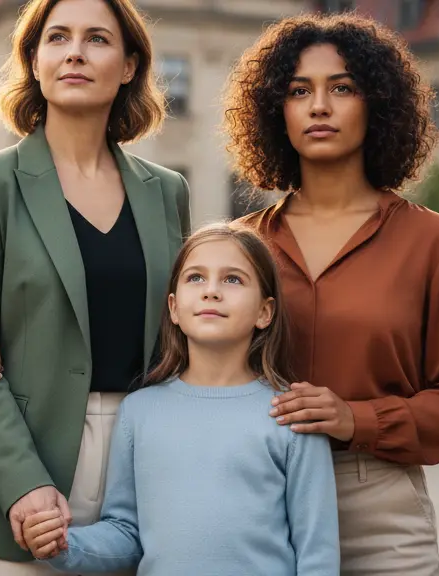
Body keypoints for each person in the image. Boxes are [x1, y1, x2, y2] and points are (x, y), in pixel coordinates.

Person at [224, 12, 439, 575]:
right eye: (300, 91)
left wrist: (356, 419)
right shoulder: (240, 246)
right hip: (256, 500)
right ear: (278, 111)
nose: (319, 106)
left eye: (341, 88)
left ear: (377, 106)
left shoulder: (433, 241)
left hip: (380, 505)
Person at [0, 0, 190, 573]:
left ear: (129, 66)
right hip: (13, 483)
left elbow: (180, 343)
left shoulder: (167, 191)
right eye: (57, 38)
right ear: (34, 60)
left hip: (141, 473)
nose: (75, 51)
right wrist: (23, 484)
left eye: (97, 38)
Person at [20, 223, 340, 576]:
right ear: (173, 307)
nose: (211, 292)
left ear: (265, 312)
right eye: (195, 278)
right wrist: (63, 546)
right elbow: (126, 533)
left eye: (233, 279)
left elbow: (317, 554)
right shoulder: (139, 412)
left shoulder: (291, 415)